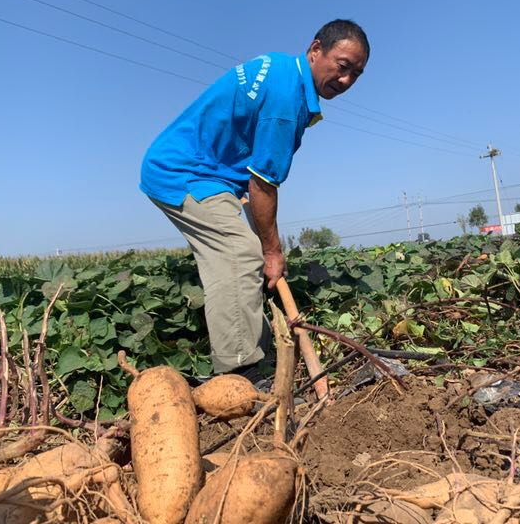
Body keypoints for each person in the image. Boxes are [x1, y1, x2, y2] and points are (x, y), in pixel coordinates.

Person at [139, 19, 369, 381]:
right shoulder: (286, 101)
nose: (346, 81)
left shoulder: (282, 69)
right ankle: (237, 373)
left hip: (212, 173)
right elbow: (262, 184)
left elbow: (251, 174)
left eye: (356, 74)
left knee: (243, 255)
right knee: (240, 253)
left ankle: (258, 356)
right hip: (184, 171)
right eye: (342, 67)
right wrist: (273, 251)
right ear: (315, 50)